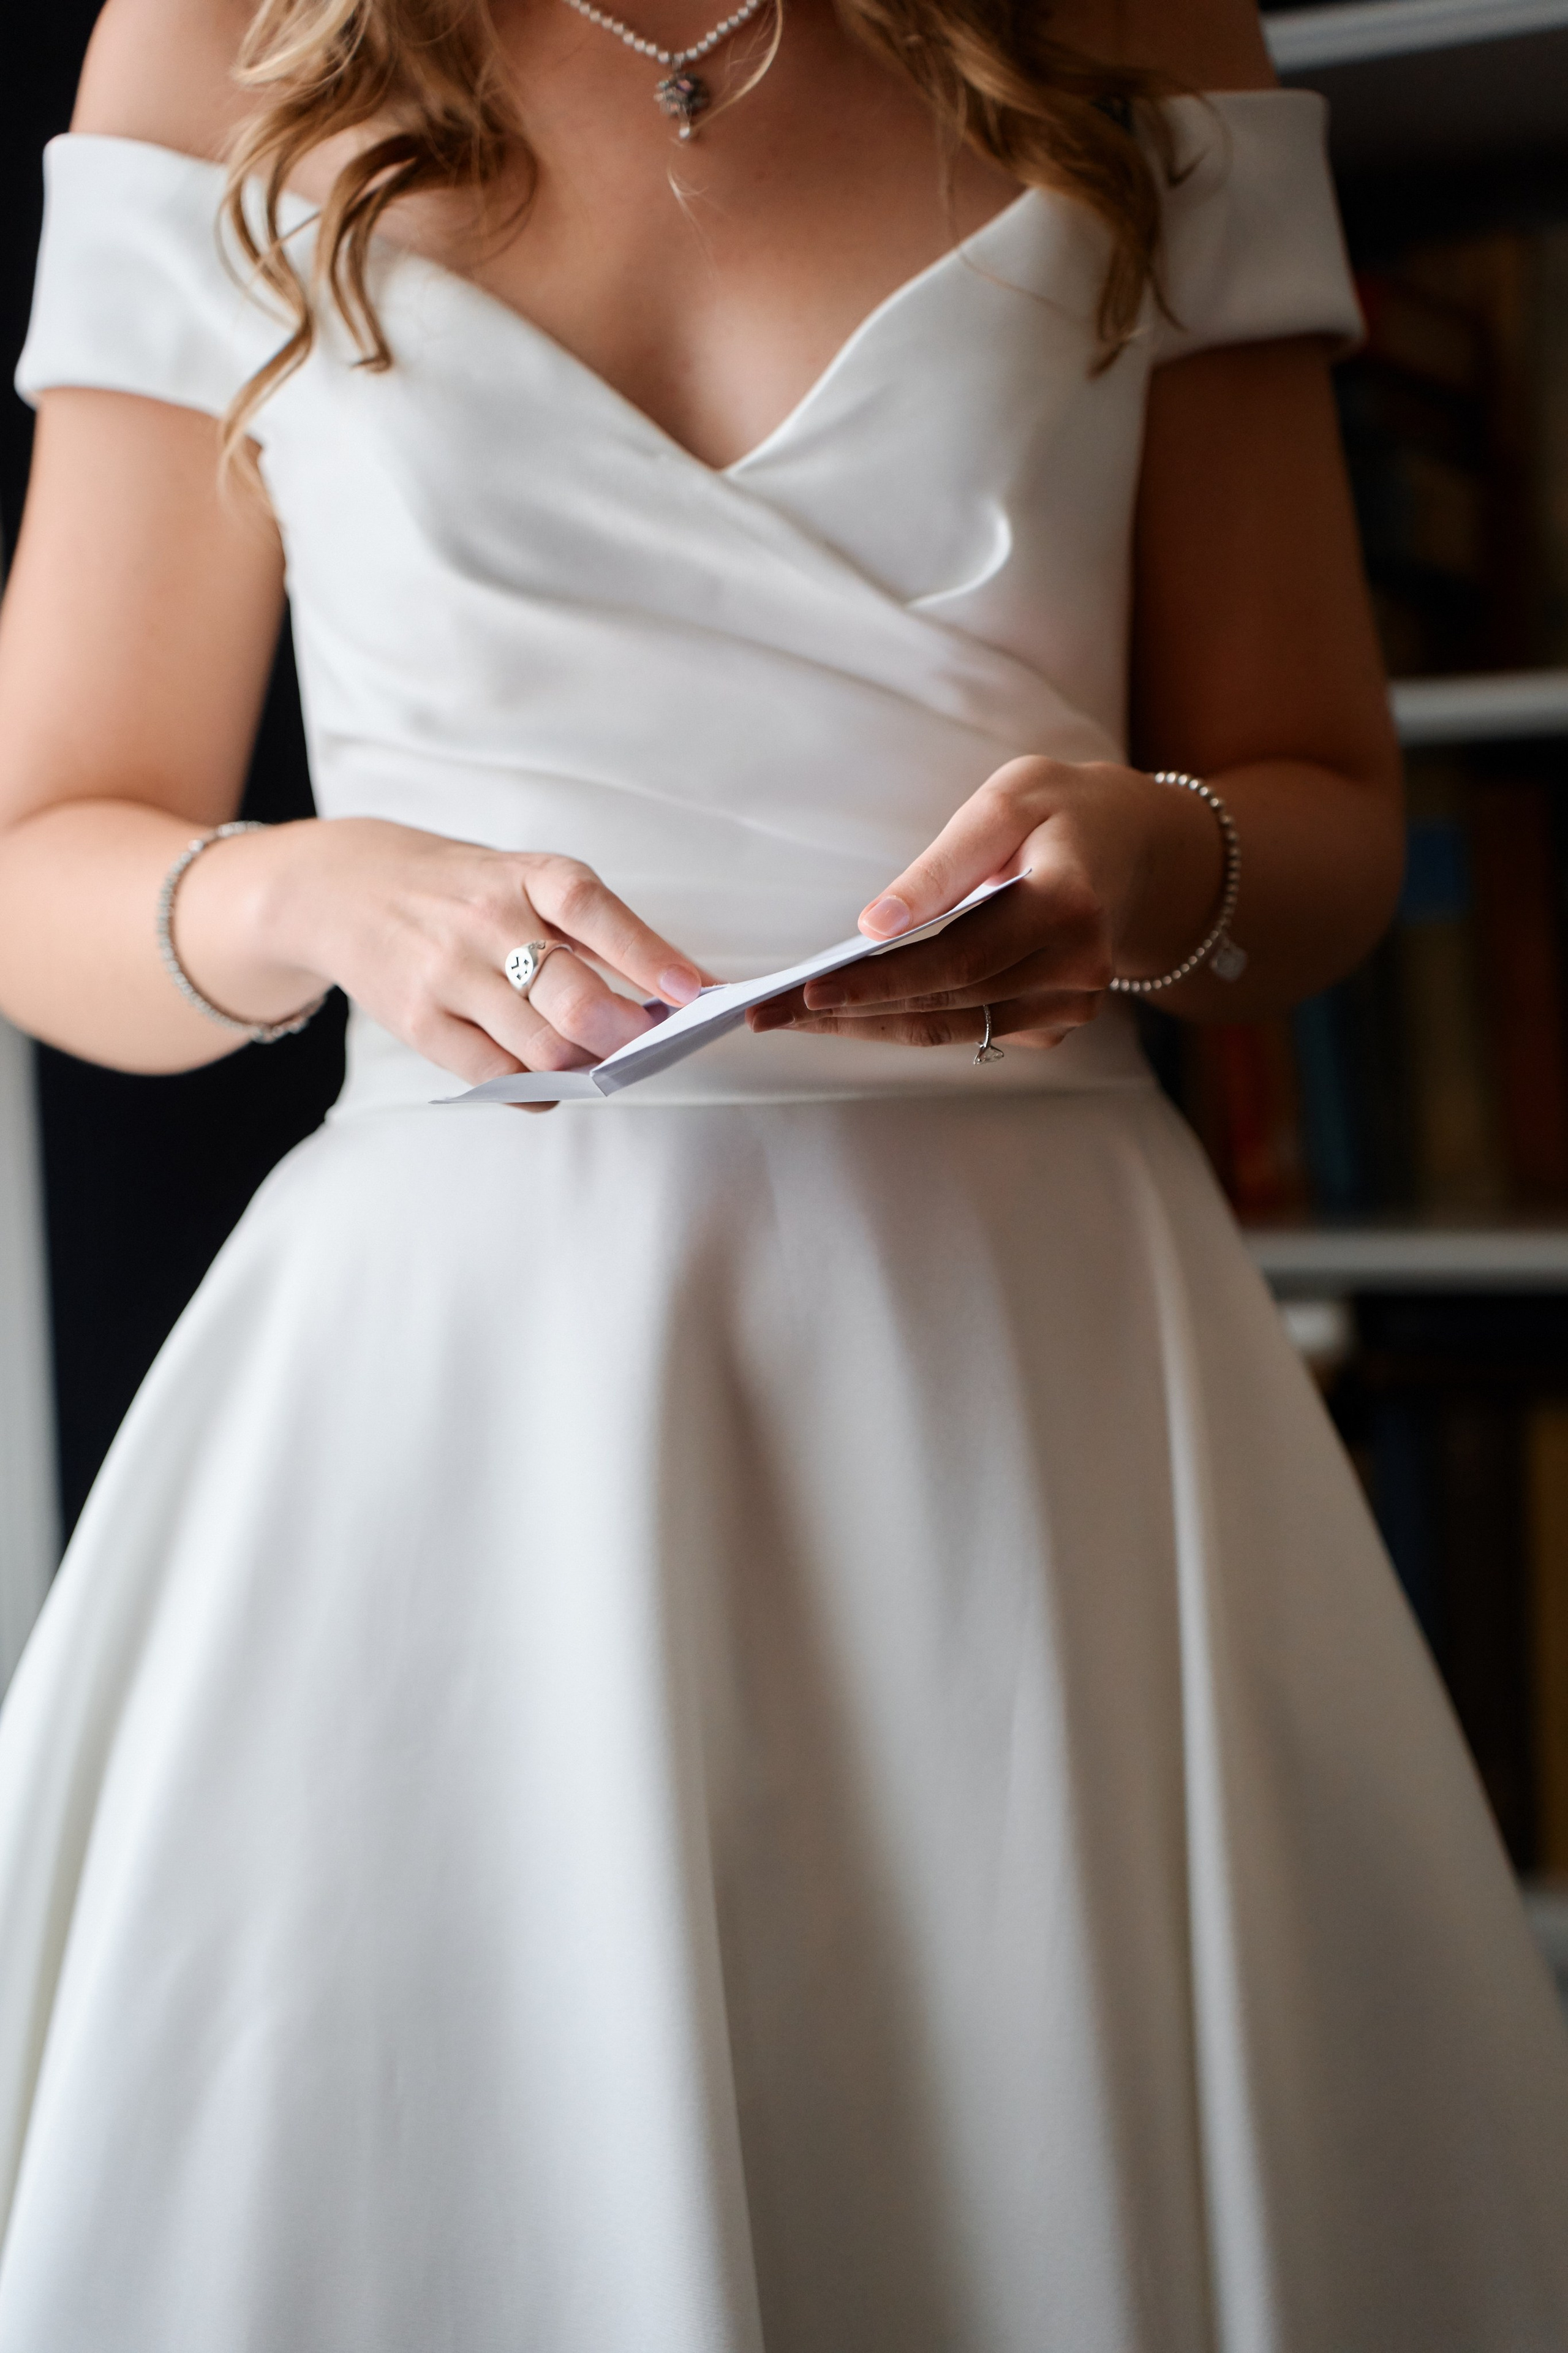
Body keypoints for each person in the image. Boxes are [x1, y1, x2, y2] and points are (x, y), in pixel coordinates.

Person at [0, 0, 1564, 2340]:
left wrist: (1149, 865)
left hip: (1029, 1402)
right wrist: (319, 897)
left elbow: (1323, 818)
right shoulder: (222, 35)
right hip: (451, 1418)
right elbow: (42, 854)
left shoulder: (1139, 26)